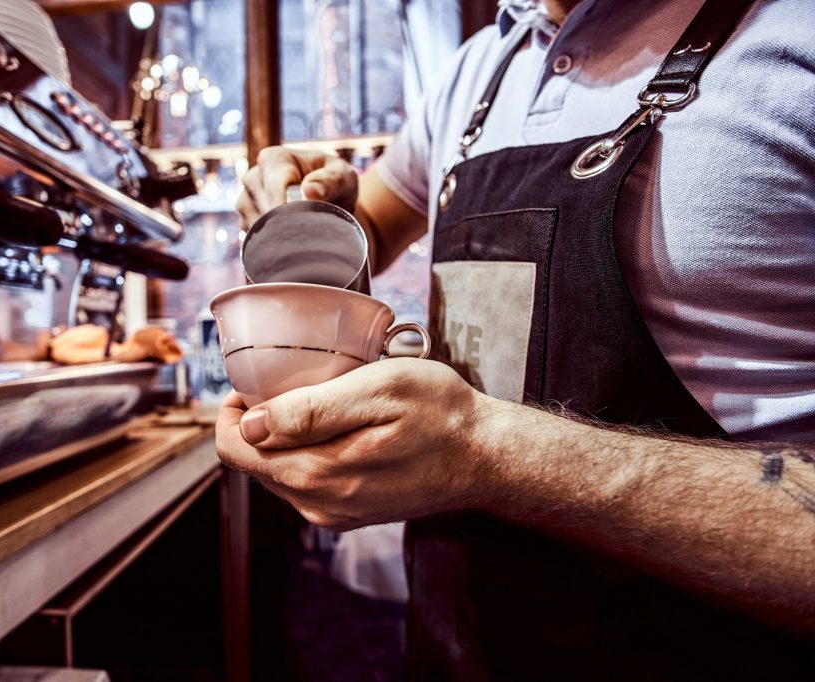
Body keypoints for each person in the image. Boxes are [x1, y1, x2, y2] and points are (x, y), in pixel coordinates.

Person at [219, 0, 815, 678]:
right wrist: (316, 203)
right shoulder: (480, 68)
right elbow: (368, 228)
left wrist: (484, 451)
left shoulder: (795, 38)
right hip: (455, 643)